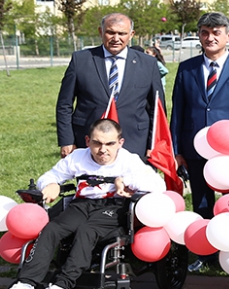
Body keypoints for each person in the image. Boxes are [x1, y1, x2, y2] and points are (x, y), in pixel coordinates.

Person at [10, 119, 166, 289]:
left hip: (114, 207)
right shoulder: (78, 157)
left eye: (109, 144)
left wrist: (125, 180)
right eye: (97, 143)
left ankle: (63, 284)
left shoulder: (129, 160)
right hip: (81, 205)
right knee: (52, 229)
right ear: (87, 141)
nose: (103, 149)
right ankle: (26, 282)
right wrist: (50, 185)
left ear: (120, 143)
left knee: (88, 231)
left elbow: (158, 185)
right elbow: (49, 176)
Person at [170, 12, 229, 271]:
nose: (210, 38)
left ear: (228, 35)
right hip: (195, 147)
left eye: (216, 32)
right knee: (201, 200)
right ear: (199, 34)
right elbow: (177, 111)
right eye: (204, 32)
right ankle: (205, 251)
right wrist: (176, 150)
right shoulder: (186, 68)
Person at [56, 13, 164, 159]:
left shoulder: (148, 64)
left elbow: (157, 110)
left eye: (122, 33)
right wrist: (67, 140)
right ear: (101, 32)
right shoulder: (80, 60)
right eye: (110, 32)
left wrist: (154, 144)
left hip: (135, 142)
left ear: (131, 34)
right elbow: (64, 104)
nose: (116, 38)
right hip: (90, 143)